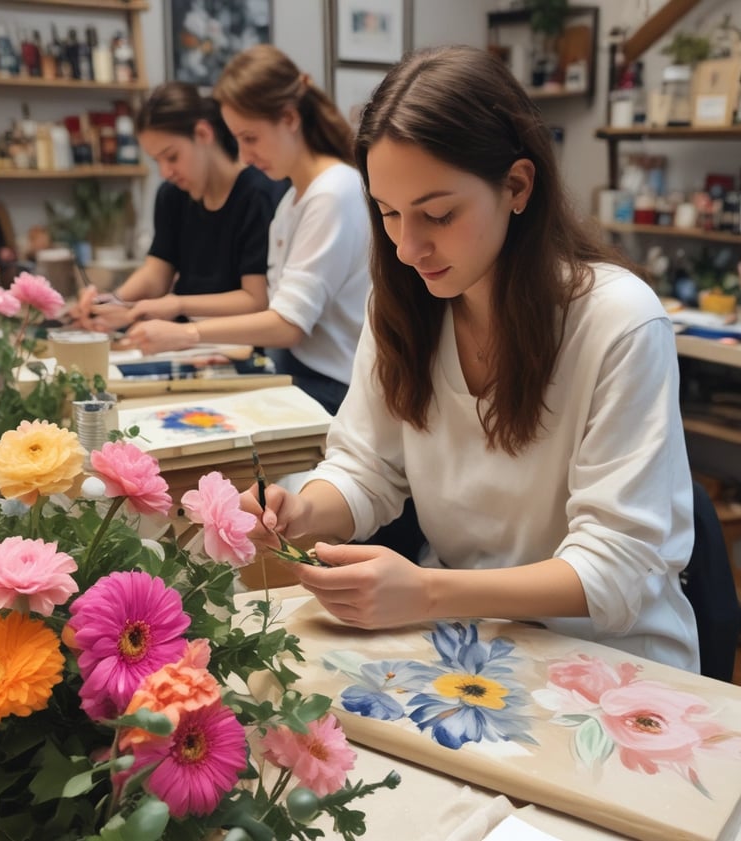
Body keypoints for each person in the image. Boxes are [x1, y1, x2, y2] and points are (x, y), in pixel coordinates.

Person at [242, 45, 700, 673]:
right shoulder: (403, 308)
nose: (408, 247)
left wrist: (427, 593)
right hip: (466, 641)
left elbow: (616, 567)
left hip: (611, 658)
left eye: (437, 214)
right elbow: (366, 468)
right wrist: (298, 509)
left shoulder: (618, 321)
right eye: (388, 213)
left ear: (516, 185)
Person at [123, 45, 370, 415]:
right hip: (296, 373)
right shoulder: (292, 201)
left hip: (334, 390)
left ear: (289, 119)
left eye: (250, 138)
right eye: (237, 139)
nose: (244, 154)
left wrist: (186, 332)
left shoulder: (333, 192)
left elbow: (288, 325)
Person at [74, 80, 285, 333]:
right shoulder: (172, 196)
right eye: (157, 162)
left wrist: (177, 304)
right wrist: (112, 302)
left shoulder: (257, 194)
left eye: (172, 157)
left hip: (240, 345)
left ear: (204, 134)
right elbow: (156, 273)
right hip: (183, 342)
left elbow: (256, 300)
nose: (166, 172)